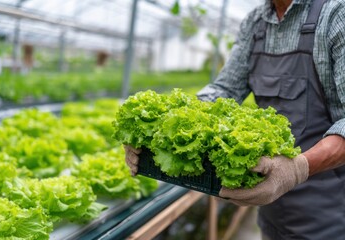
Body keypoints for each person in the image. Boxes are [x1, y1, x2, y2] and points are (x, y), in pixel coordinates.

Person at [124, 0, 345, 239]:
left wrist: (297, 169)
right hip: (269, 202)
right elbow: (226, 89)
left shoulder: (335, 14)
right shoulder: (256, 22)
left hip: (329, 210)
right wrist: (160, 129)